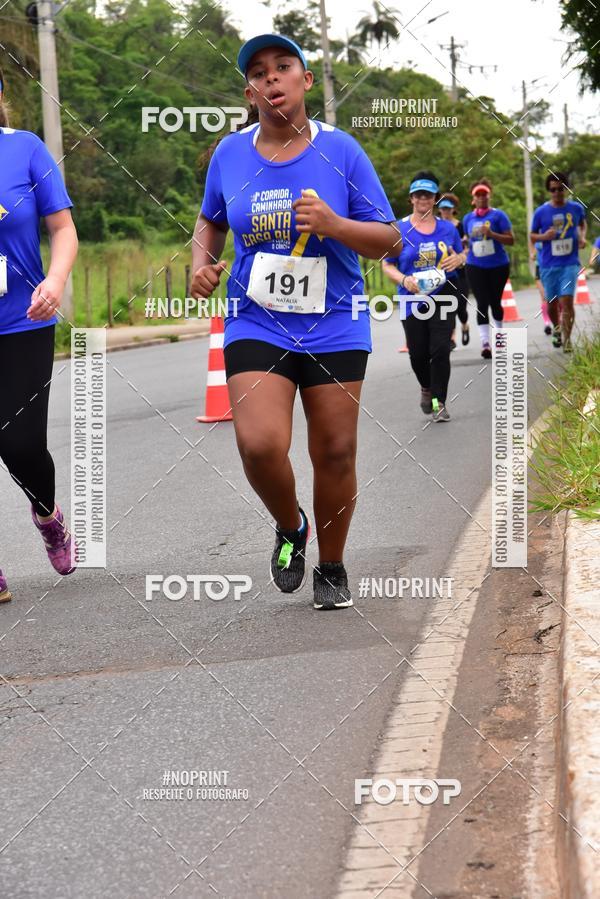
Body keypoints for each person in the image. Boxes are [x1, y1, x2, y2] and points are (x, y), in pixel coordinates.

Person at [191, 34, 398, 611]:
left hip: (334, 318)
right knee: (258, 444)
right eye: (259, 72)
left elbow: (387, 240)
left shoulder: (343, 151)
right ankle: (290, 526)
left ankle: (331, 565)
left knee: (334, 450)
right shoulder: (229, 154)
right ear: (250, 91)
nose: (272, 78)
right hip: (256, 318)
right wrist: (201, 266)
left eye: (284, 67)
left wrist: (334, 224)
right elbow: (209, 221)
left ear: (307, 80)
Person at [0, 67, 79, 604]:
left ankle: (48, 515)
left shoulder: (25, 149)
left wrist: (54, 280)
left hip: (23, 320)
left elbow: (63, 228)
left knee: (20, 441)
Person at [382, 172, 466, 423]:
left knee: (440, 349)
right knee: (418, 354)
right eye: (418, 195)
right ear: (411, 199)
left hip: (444, 294)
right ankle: (426, 387)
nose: (423, 199)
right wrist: (404, 279)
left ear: (435, 199)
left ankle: (439, 401)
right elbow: (387, 264)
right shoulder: (399, 229)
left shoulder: (448, 228)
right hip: (412, 297)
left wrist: (459, 260)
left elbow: (462, 255)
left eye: (428, 195)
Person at [530, 171, 586, 352]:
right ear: (549, 191)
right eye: (553, 189)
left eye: (561, 189)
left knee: (567, 300)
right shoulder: (541, 212)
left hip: (569, 264)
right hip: (548, 265)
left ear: (566, 189)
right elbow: (531, 235)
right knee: (551, 304)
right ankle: (556, 328)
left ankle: (568, 340)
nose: (557, 193)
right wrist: (543, 236)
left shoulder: (576, 208)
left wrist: (582, 237)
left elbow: (582, 223)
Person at [463, 179, 514, 359]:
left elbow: (511, 240)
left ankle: (499, 338)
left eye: (484, 194)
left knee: (495, 302)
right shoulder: (468, 218)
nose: (482, 197)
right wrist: (464, 242)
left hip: (498, 265)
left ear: (489, 196)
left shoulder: (499, 216)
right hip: (475, 265)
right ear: (473, 199)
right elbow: (467, 238)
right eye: (478, 195)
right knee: (482, 303)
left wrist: (492, 234)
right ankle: (485, 343)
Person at [438, 192, 470, 348]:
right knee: (449, 305)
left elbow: (468, 247)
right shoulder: (435, 227)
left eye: (448, 209)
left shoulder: (459, 226)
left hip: (460, 271)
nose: (445, 211)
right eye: (443, 208)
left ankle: (465, 325)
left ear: (453, 210)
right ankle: (451, 338)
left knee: (461, 306)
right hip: (443, 272)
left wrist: (460, 255)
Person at [530, 236, 553, 335]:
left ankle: (558, 321)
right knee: (544, 297)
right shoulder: (537, 234)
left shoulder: (552, 234)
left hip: (553, 268)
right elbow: (532, 242)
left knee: (555, 298)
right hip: (539, 268)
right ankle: (547, 323)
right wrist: (532, 253)